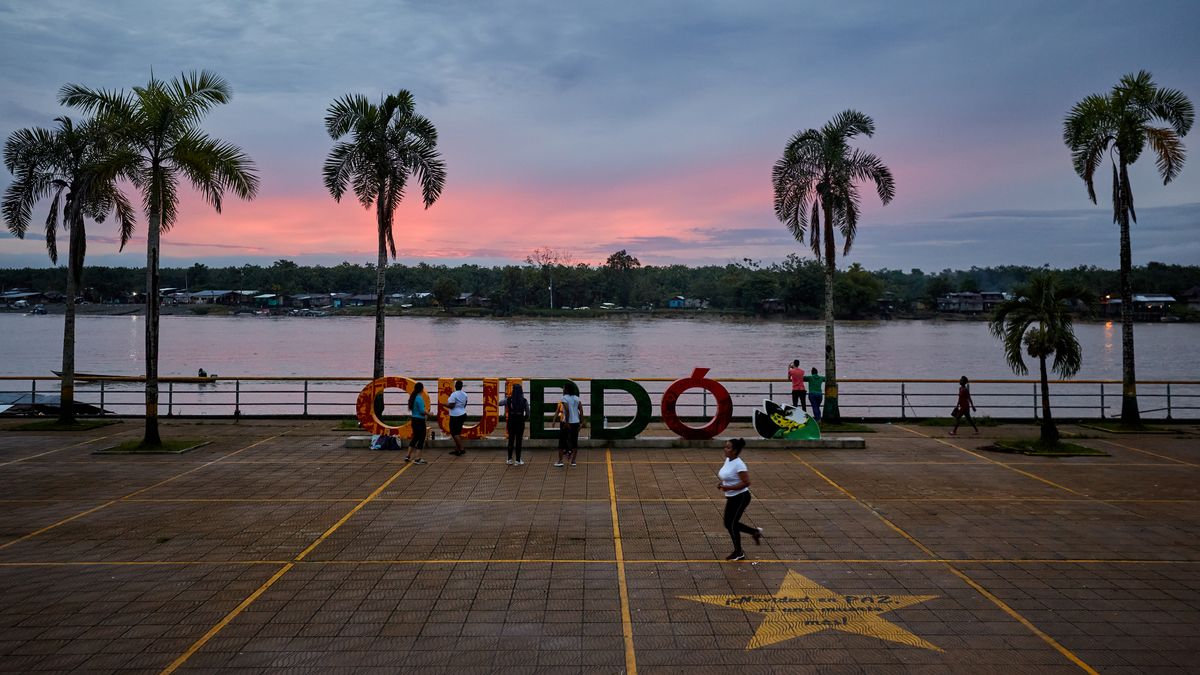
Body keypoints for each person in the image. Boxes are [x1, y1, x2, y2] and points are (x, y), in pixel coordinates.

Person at [716, 438, 762, 561]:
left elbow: (746, 483)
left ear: (735, 451)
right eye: (725, 446)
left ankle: (739, 552)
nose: (725, 449)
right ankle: (754, 532)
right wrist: (723, 483)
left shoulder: (739, 465)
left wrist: (728, 487)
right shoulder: (728, 460)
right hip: (732, 497)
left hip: (741, 497)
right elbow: (729, 476)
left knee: (731, 524)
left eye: (728, 447)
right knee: (729, 523)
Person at [555, 381, 584, 467]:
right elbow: (581, 410)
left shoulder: (564, 398)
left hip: (566, 423)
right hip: (576, 422)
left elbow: (566, 410)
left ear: (566, 390)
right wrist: (582, 421)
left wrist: (567, 422)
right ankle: (573, 461)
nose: (563, 389)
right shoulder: (577, 398)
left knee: (562, 442)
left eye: (564, 388)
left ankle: (560, 461)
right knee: (574, 441)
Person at [499, 383, 529, 466]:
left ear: (513, 391)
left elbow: (499, 403)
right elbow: (528, 413)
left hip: (511, 422)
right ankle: (518, 460)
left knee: (511, 440)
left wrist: (507, 398)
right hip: (520, 422)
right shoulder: (524, 400)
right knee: (519, 441)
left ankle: (509, 459)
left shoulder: (508, 400)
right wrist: (523, 419)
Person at [404, 382, 428, 464]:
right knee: (421, 438)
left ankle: (408, 456)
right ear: (422, 389)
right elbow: (422, 411)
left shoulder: (413, 397)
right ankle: (418, 458)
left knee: (415, 438)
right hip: (420, 421)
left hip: (414, 420)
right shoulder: (419, 398)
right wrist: (429, 413)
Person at [446, 380, 468, 456]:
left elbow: (451, 406)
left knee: (454, 433)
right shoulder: (465, 394)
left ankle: (461, 448)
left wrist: (444, 404)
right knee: (458, 433)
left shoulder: (453, 394)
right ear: (462, 386)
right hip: (463, 414)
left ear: (455, 386)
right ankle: (457, 450)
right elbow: (465, 404)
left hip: (455, 416)